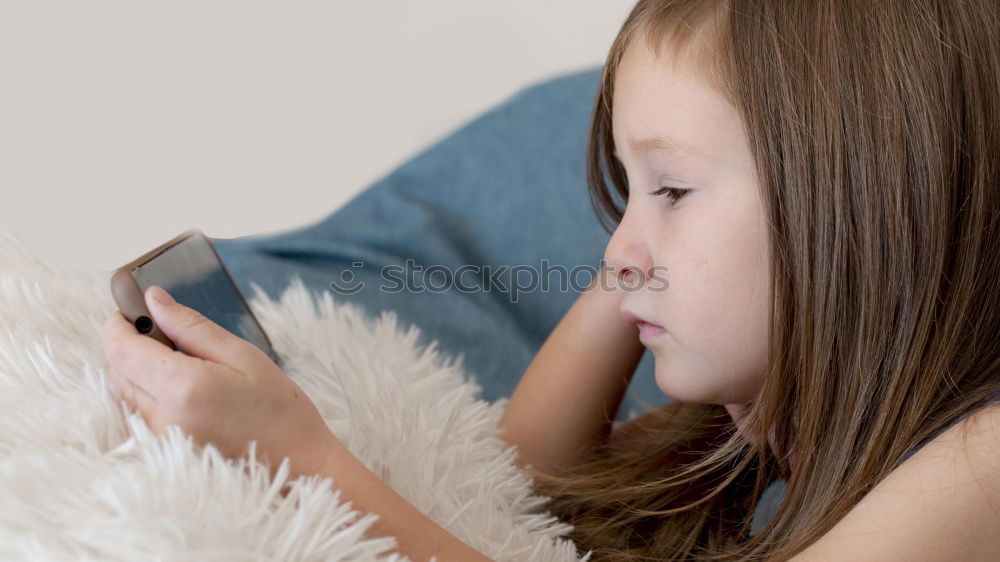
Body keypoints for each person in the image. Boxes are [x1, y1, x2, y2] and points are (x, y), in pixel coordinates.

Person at [101, 0, 1000, 560]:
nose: (615, 248)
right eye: (626, 190)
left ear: (861, 210)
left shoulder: (980, 463)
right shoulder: (764, 426)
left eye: (674, 189)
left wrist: (311, 465)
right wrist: (641, 272)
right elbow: (516, 490)